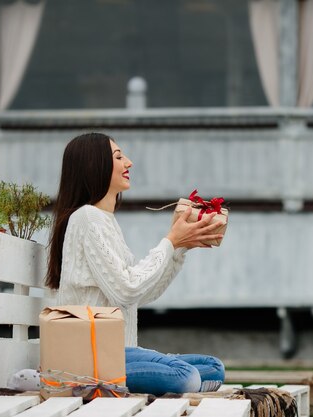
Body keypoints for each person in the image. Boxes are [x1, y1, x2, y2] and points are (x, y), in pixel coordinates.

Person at [45, 132, 226, 396]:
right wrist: (170, 242)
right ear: (95, 165)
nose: (128, 163)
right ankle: (122, 379)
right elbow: (128, 290)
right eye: (119, 157)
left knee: (213, 367)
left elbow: (141, 293)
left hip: (122, 353)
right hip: (92, 359)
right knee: (185, 376)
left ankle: (165, 373)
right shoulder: (86, 218)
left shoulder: (105, 221)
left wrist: (178, 250)